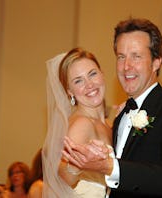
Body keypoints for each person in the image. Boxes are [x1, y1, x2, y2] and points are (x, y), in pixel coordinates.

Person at [62, 18, 162, 198]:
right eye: (121, 57)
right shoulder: (120, 117)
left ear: (156, 62)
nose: (127, 66)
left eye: (136, 56)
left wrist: (110, 167)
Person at [42, 47, 113, 198]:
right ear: (69, 91)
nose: (89, 85)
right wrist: (78, 163)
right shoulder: (82, 124)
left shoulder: (108, 124)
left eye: (92, 74)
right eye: (78, 81)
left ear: (102, 74)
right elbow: (64, 178)